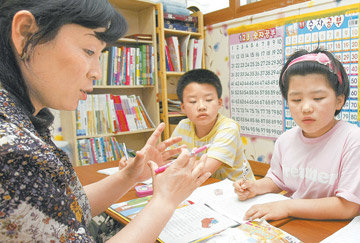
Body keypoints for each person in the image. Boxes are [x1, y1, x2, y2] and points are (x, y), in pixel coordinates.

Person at [0, 0, 210, 241]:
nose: (97, 72)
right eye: (89, 51)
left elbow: (65, 208)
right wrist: (165, 200)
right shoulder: (11, 149)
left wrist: (130, 175)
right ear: (26, 32)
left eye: (100, 55)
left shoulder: (24, 122)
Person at [233, 49, 360, 221]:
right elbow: (278, 180)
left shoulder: (354, 140)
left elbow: (347, 207)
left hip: (336, 228)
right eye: (296, 100)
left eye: (318, 98)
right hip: (293, 222)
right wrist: (255, 187)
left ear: (339, 101)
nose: (306, 108)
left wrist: (286, 206)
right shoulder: (285, 140)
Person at [170, 69, 255, 181]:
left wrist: (177, 166)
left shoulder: (229, 127)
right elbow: (167, 160)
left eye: (208, 100)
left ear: (219, 103)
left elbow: (204, 169)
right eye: (193, 101)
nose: (201, 107)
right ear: (183, 108)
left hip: (239, 191)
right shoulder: (183, 126)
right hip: (204, 187)